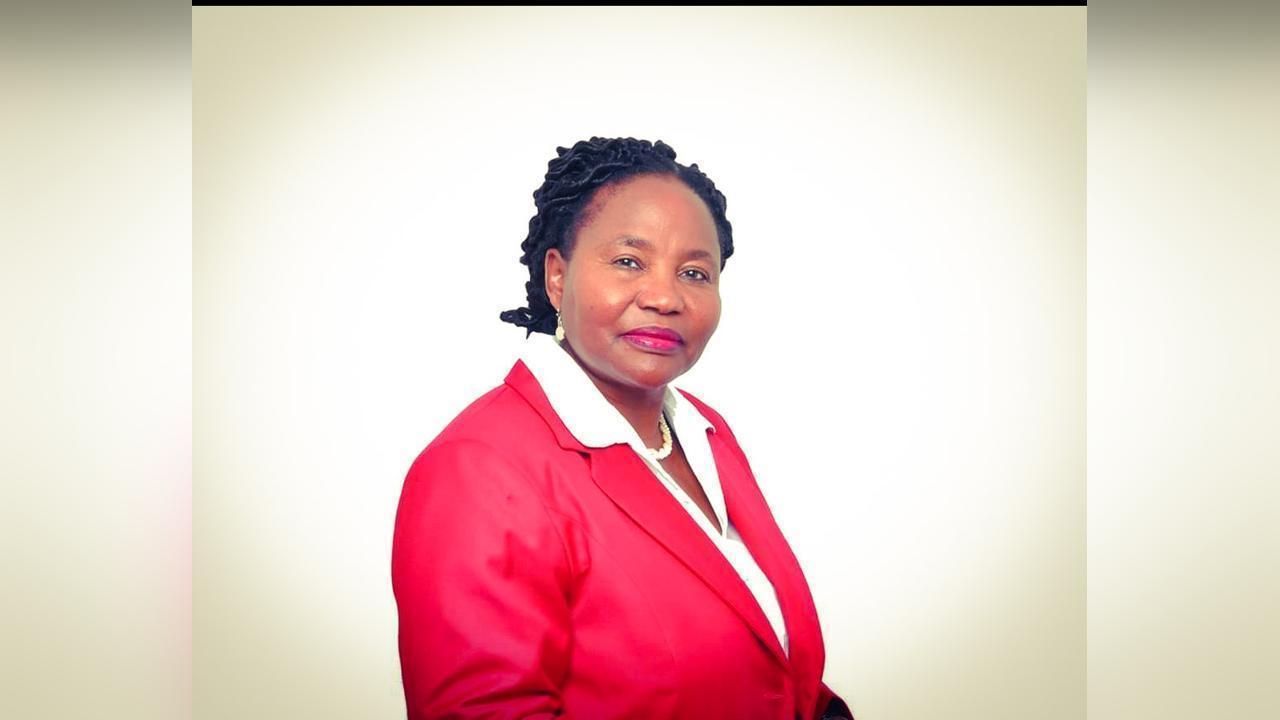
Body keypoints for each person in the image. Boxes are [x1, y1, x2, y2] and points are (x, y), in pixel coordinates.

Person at [391, 137, 854, 719]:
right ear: (557, 276)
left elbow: (780, 666)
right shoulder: (477, 470)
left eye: (694, 272)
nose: (665, 297)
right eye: (629, 261)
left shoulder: (703, 431)